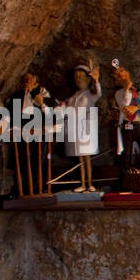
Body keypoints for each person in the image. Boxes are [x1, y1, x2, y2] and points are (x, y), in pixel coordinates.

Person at [112, 61, 140, 188]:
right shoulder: (119, 93)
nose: (122, 75)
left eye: (123, 71)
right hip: (128, 126)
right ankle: (126, 181)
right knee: (127, 154)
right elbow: (124, 104)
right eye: (118, 75)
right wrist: (126, 89)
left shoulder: (139, 91)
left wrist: (138, 107)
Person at [62, 62, 101, 191]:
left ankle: (90, 183)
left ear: (88, 79)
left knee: (87, 157)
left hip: (86, 129)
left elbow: (98, 93)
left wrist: (96, 80)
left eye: (81, 77)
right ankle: (83, 184)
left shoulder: (90, 95)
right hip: (76, 129)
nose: (78, 80)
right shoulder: (73, 96)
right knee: (80, 158)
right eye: (76, 77)